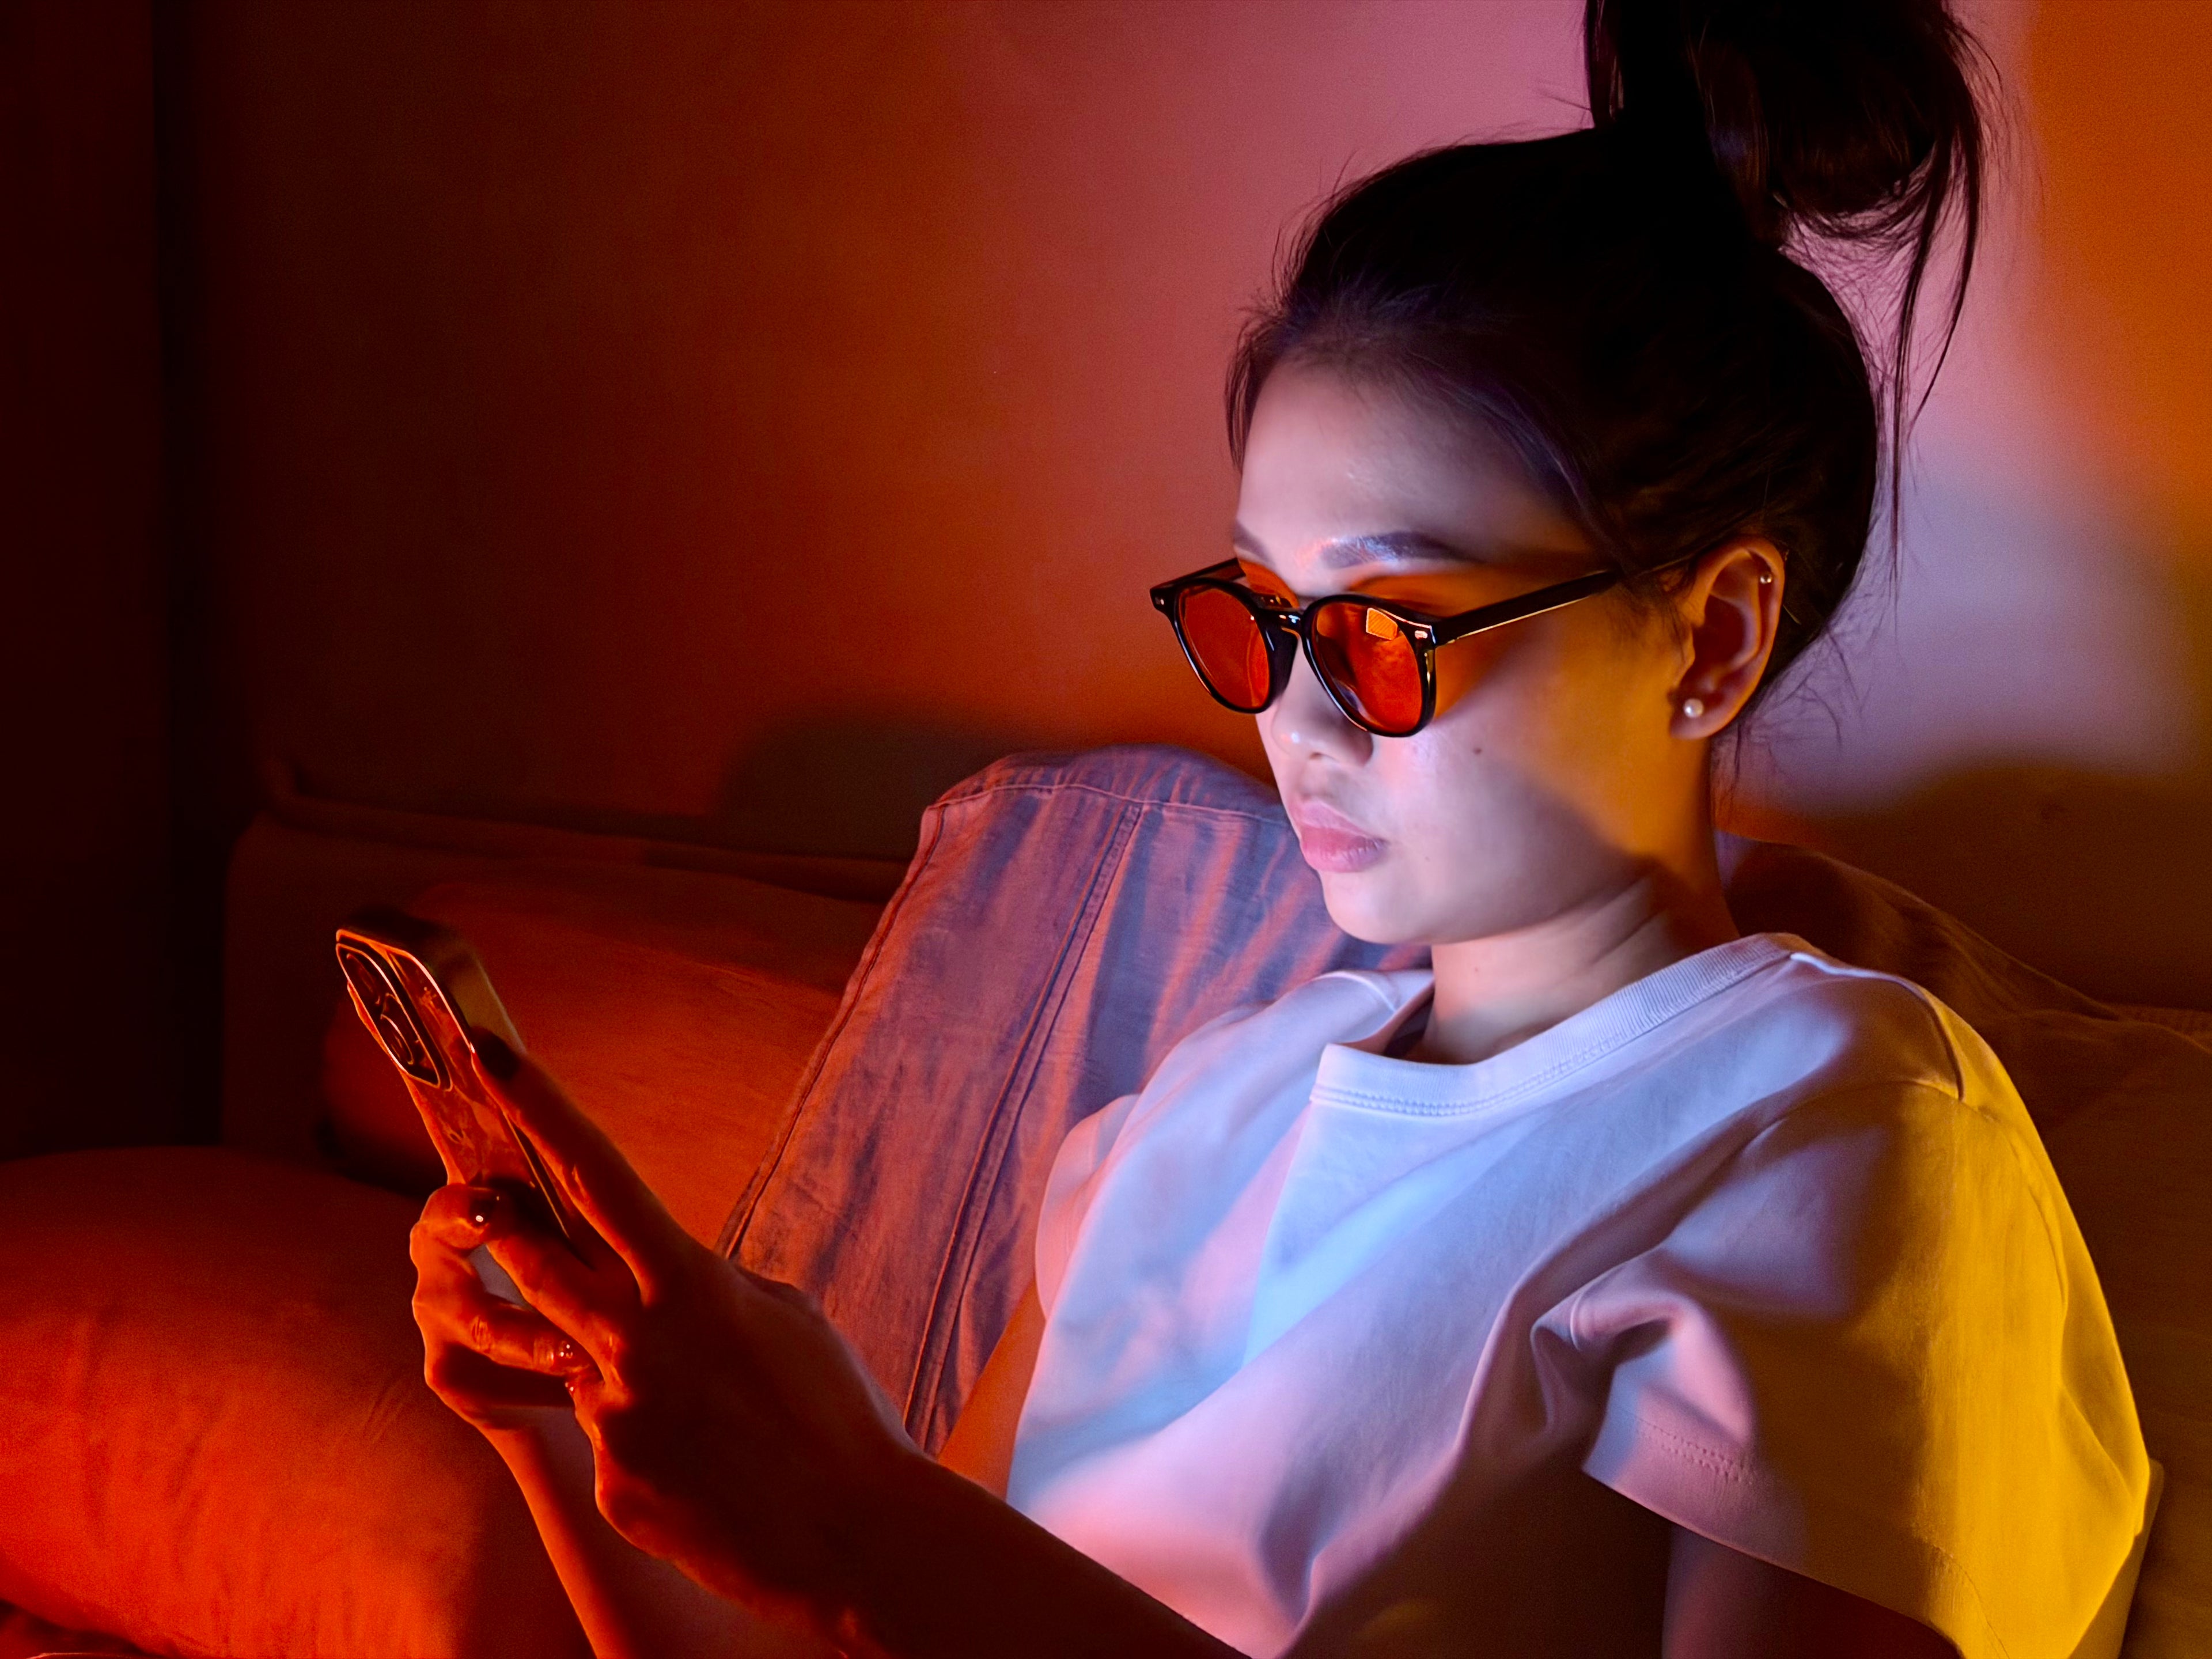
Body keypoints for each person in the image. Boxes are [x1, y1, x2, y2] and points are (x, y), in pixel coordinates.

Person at [407, 1, 2154, 1654]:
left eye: (1385, 631)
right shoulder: (1199, 1112)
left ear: (1711, 640)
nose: (1294, 723)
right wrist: (568, 1426)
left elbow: (886, 1575)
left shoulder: (1833, 1132)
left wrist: (856, 1522)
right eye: (1263, 619)